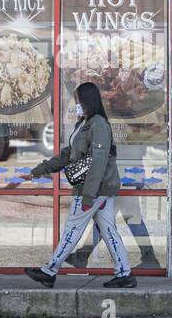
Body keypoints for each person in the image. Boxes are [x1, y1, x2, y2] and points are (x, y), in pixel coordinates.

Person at [24, 82, 135, 288]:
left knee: (72, 229)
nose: (75, 104)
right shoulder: (84, 123)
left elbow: (98, 162)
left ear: (86, 100)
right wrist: (39, 170)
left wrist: (88, 196)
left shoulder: (98, 125)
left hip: (91, 190)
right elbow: (68, 155)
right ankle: (124, 273)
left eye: (77, 100)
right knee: (109, 231)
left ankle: (49, 271)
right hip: (98, 191)